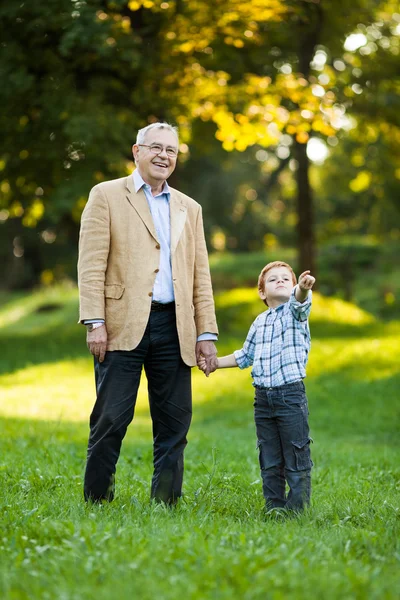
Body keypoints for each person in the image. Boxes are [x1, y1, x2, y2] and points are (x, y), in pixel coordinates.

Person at [78, 122, 218, 504]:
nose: (163, 156)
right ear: (136, 151)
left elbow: (200, 276)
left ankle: (166, 503)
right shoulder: (106, 195)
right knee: (110, 419)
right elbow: (91, 265)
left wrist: (206, 334)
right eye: (155, 147)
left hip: (176, 327)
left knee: (175, 423)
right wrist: (95, 321)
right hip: (121, 324)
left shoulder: (190, 208)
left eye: (171, 150)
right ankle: (96, 500)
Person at [199, 261, 315, 511]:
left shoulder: (295, 312)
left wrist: (304, 288)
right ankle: (274, 507)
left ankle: (297, 511)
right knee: (270, 457)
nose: (281, 281)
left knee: (296, 454)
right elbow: (245, 355)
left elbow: (301, 301)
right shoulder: (259, 322)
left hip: (290, 397)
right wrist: (214, 363)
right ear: (262, 292)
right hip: (263, 399)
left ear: (294, 286)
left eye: (286, 278)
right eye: (274, 279)